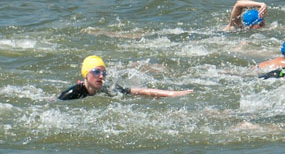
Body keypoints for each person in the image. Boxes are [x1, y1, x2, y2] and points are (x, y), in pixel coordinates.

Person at [57, 55, 192, 100]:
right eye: (96, 72)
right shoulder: (73, 93)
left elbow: (139, 91)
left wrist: (174, 94)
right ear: (86, 74)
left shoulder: (106, 89)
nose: (101, 76)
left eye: (104, 73)